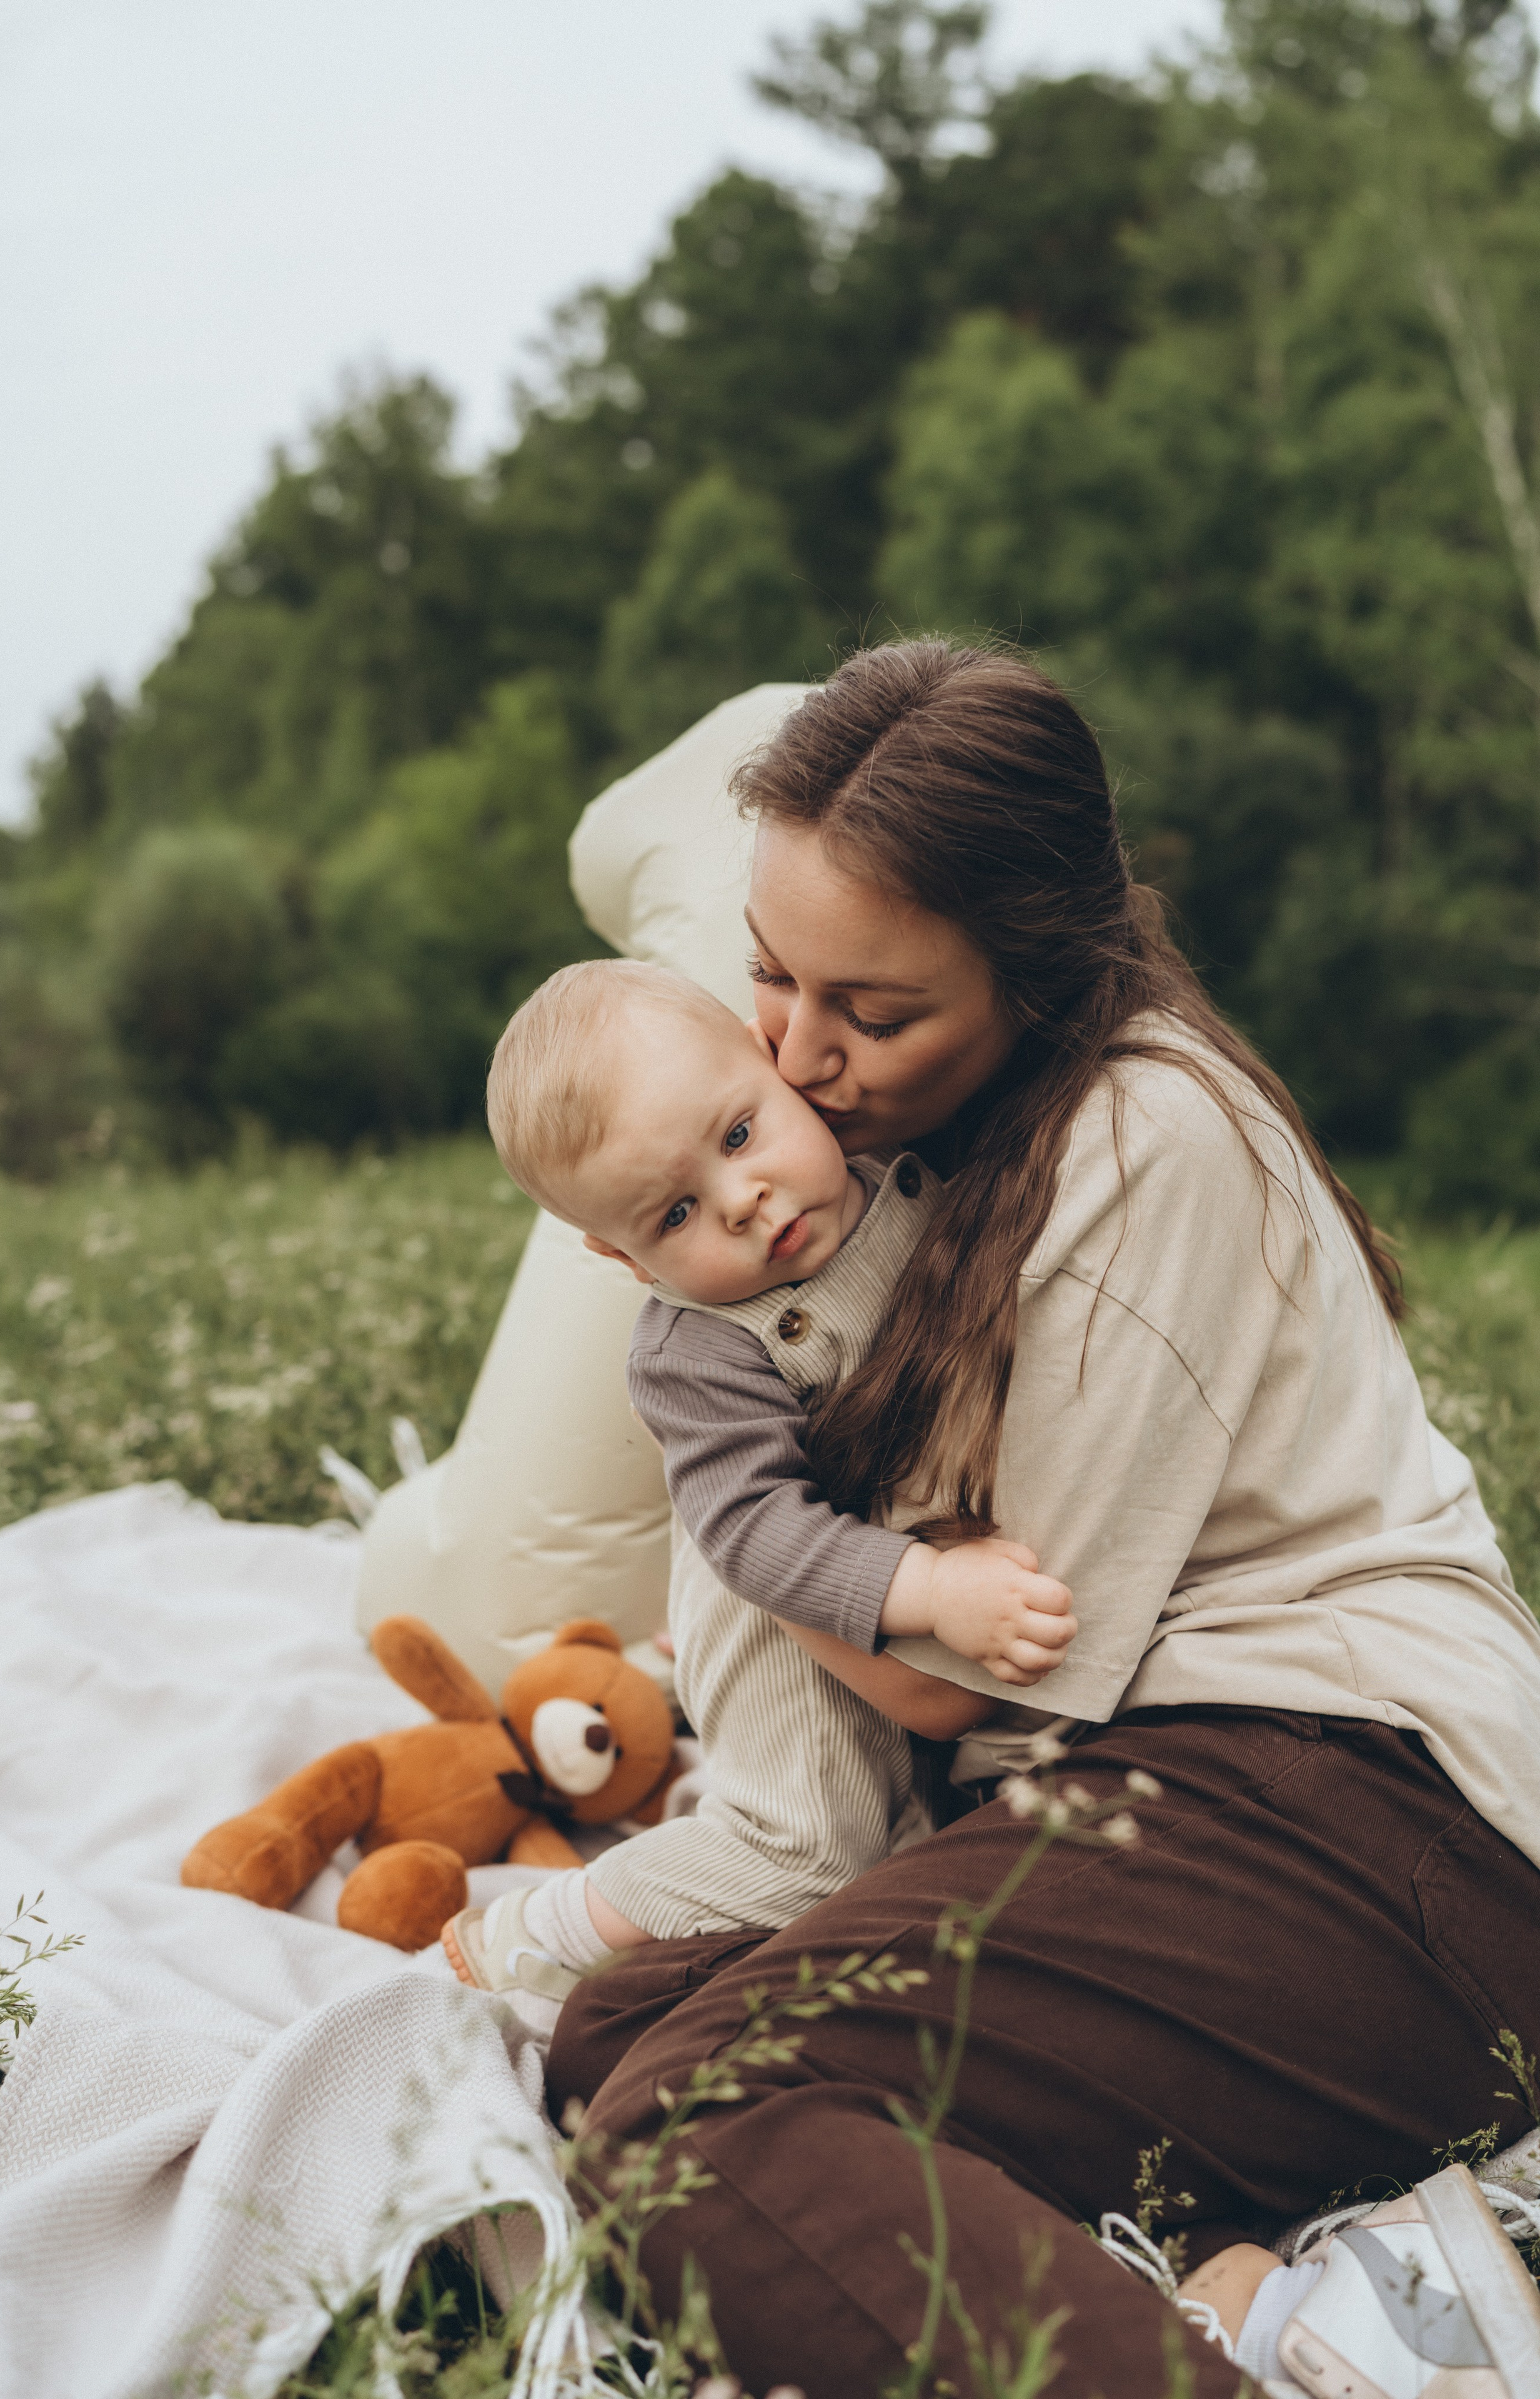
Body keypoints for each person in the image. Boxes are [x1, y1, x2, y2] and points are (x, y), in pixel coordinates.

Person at [545, 640, 1540, 2397]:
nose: (799, 1051)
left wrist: (739, 1494)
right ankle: (1268, 2284)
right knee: (614, 2032)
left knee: (695, 2130)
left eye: (876, 1010)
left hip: (1376, 1815)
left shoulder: (1146, 1142)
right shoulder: (903, 1174)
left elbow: (953, 1687)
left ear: (1039, 966)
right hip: (1192, 1794)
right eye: (774, 979)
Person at [442, 956, 1075, 2022]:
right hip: (780, 1632)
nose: (743, 1202)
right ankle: (547, 1930)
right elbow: (756, 1532)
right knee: (813, 1852)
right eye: (676, 1214)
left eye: (739, 1137)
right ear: (622, 1255)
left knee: (909, 1837)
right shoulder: (694, 1354)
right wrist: (934, 1593)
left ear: (766, 1056)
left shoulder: (899, 1177)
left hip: (874, 1600)